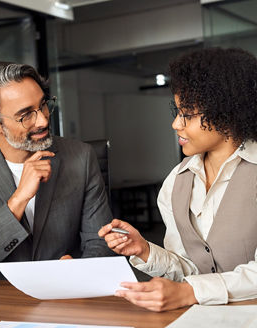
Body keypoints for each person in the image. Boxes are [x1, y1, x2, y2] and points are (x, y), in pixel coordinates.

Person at [99, 47, 257, 312]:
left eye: (188, 114)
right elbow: (190, 268)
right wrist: (144, 250)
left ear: (227, 114)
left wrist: (190, 292)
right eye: (178, 111)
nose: (176, 124)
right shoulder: (177, 180)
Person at [0, 62, 113, 282]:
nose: (43, 120)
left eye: (43, 105)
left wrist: (78, 274)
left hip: (68, 295)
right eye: (25, 115)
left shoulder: (81, 157)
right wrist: (18, 199)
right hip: (0, 303)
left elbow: (100, 243)